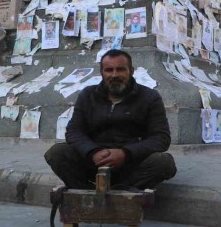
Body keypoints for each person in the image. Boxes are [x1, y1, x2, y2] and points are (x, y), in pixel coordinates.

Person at [44, 50, 176, 190]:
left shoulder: (150, 97)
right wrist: (93, 152)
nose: (114, 75)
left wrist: (125, 153)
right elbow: (74, 131)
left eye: (120, 70)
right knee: (57, 153)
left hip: (131, 164)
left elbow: (161, 138)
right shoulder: (88, 95)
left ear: (131, 71)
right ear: (101, 72)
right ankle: (87, 191)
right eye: (109, 70)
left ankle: (120, 191)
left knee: (164, 163)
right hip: (94, 162)